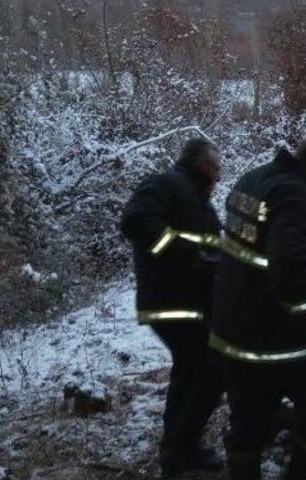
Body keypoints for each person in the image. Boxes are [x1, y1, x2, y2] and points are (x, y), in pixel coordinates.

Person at [209, 129, 306, 480]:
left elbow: (259, 245)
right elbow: (293, 275)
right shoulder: (296, 197)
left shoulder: (253, 179)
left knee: (248, 422)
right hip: (276, 339)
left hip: (230, 328)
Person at [120, 138, 225, 477]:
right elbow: (134, 221)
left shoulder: (198, 200)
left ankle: (178, 448)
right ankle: (180, 449)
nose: (218, 175)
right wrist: (187, 254)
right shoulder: (166, 184)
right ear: (200, 164)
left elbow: (208, 248)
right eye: (215, 167)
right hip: (171, 301)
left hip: (192, 303)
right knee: (210, 371)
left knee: (190, 371)